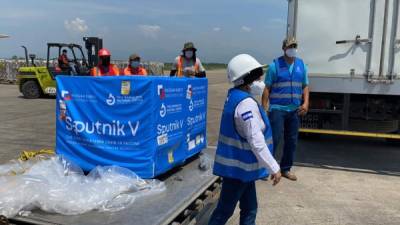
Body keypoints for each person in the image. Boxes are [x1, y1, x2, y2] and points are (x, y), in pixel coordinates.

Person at [208, 54, 281, 225]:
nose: (260, 81)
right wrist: (273, 167)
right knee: (224, 211)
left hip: (241, 169)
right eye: (257, 77)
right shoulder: (246, 105)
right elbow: (256, 141)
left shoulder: (234, 96)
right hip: (238, 170)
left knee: (249, 208)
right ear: (246, 79)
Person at [261, 37, 310, 181]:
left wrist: (306, 103)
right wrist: (264, 107)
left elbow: (305, 86)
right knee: (273, 139)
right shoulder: (274, 66)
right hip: (277, 109)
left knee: (292, 141)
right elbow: (267, 88)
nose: (293, 49)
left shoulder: (301, 65)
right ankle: (265, 169)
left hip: (295, 110)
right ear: (283, 48)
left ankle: (285, 169)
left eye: (294, 46)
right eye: (290, 46)